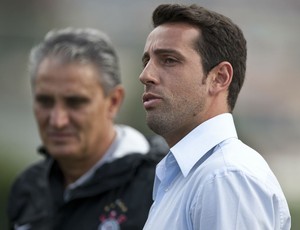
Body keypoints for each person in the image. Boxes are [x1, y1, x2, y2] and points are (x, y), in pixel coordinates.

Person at [139, 4, 291, 230]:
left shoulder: (226, 177)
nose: (145, 75)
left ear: (219, 78)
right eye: (147, 61)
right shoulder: (192, 176)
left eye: (169, 60)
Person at [7, 27, 168, 230]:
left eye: (75, 102)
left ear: (113, 102)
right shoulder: (28, 188)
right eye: (45, 101)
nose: (58, 120)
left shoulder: (161, 184)